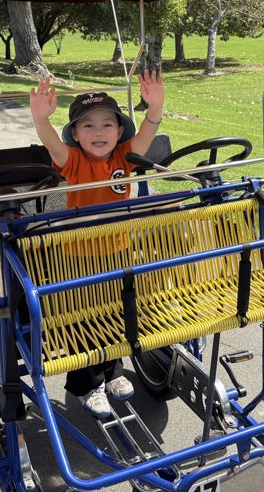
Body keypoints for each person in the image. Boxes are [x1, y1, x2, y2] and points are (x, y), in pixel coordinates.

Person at [29, 72, 165, 417]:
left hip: (118, 251)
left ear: (120, 132)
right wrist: (40, 117)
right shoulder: (73, 161)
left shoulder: (124, 157)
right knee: (86, 319)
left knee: (115, 313)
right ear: (75, 134)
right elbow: (50, 142)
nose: (99, 132)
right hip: (79, 254)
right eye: (87, 126)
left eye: (107, 124)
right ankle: (86, 386)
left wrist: (155, 109)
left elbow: (147, 134)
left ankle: (111, 373)